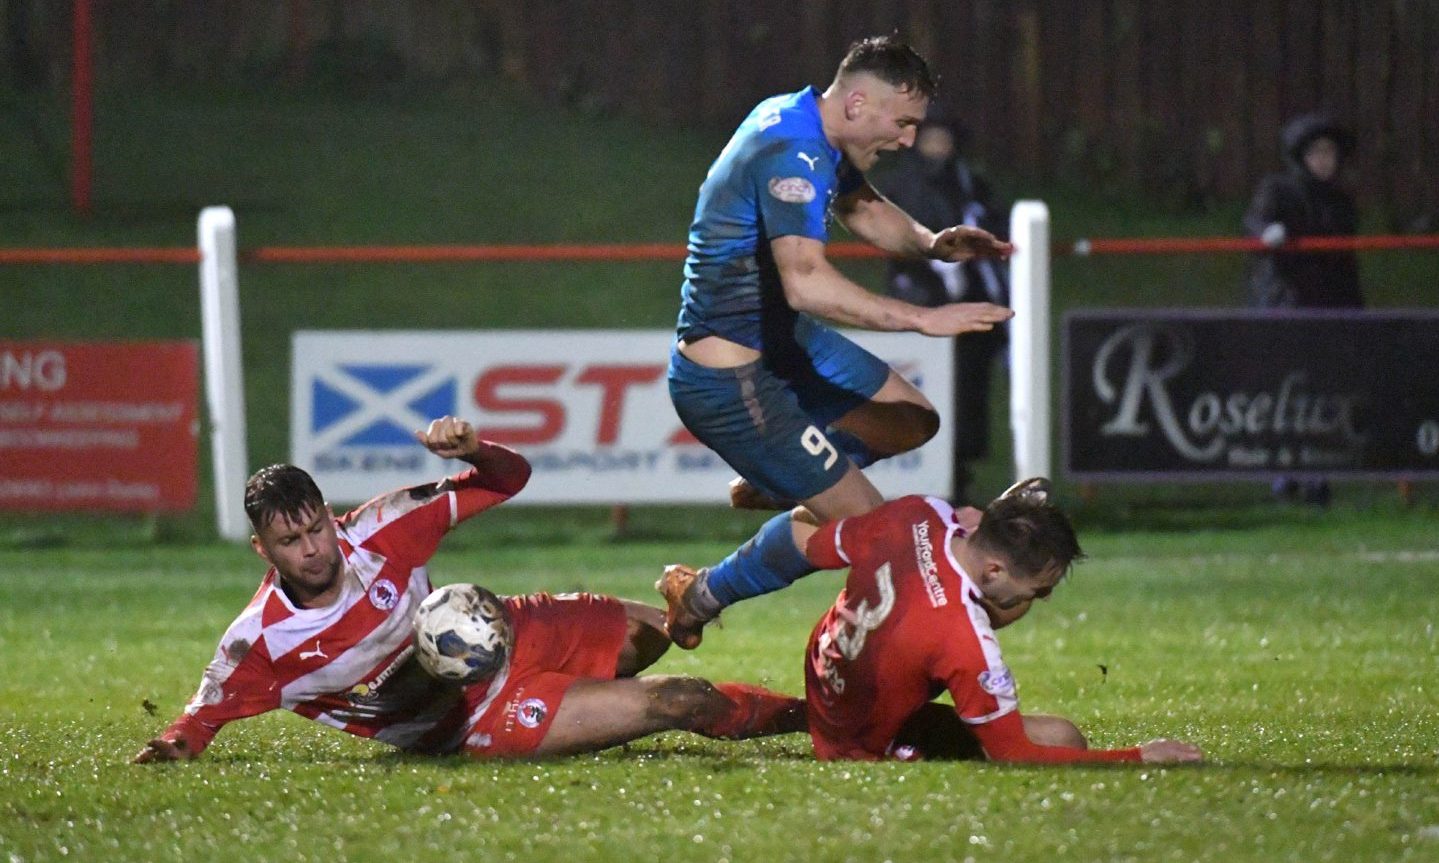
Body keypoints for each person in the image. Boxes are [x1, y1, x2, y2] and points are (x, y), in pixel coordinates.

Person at [134, 416, 803, 764]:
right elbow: (199, 718)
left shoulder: (380, 527)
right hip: (473, 716)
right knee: (681, 700)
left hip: (506, 624)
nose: (311, 550)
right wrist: (171, 746)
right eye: (290, 542)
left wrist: (476, 450)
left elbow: (508, 478)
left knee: (661, 628)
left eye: (315, 529)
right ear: (263, 549)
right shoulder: (261, 641)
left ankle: (681, 617)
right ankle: (826, 722)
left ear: (327, 515)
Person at [660, 35, 1014, 649]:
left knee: (909, 419)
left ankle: (783, 481)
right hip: (732, 378)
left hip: (782, 346)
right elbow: (807, 284)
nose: (907, 140)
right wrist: (923, 318)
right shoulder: (792, 149)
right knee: (877, 539)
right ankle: (702, 594)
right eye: (902, 123)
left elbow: (864, 208)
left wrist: (932, 243)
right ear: (856, 103)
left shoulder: (803, 116)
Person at [798, 478, 1205, 763]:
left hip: (825, 669)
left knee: (1061, 734)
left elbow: (805, 541)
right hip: (858, 740)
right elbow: (1012, 753)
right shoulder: (962, 638)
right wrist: (1138, 757)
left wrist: (731, 586)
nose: (1040, 601)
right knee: (1063, 740)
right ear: (993, 571)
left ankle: (784, 712)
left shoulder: (921, 512)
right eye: (1038, 590)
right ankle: (889, 742)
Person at [876, 116, 1010, 503]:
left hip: (967, 319)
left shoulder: (971, 186)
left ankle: (959, 481)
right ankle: (923, 485)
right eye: (930, 141)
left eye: (943, 141)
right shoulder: (901, 187)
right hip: (920, 313)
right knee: (923, 400)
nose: (937, 150)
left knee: (967, 400)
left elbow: (997, 231)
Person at [1243, 113, 1361, 507]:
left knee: (1324, 394)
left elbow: (1347, 263)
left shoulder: (1341, 202)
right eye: (1317, 152)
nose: (1325, 160)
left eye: (1330, 152)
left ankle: (1317, 475)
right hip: (1285, 305)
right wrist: (1267, 234)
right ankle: (1284, 476)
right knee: (1284, 393)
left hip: (1329, 308)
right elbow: (1255, 222)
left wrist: (1356, 311)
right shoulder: (1278, 189)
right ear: (1301, 156)